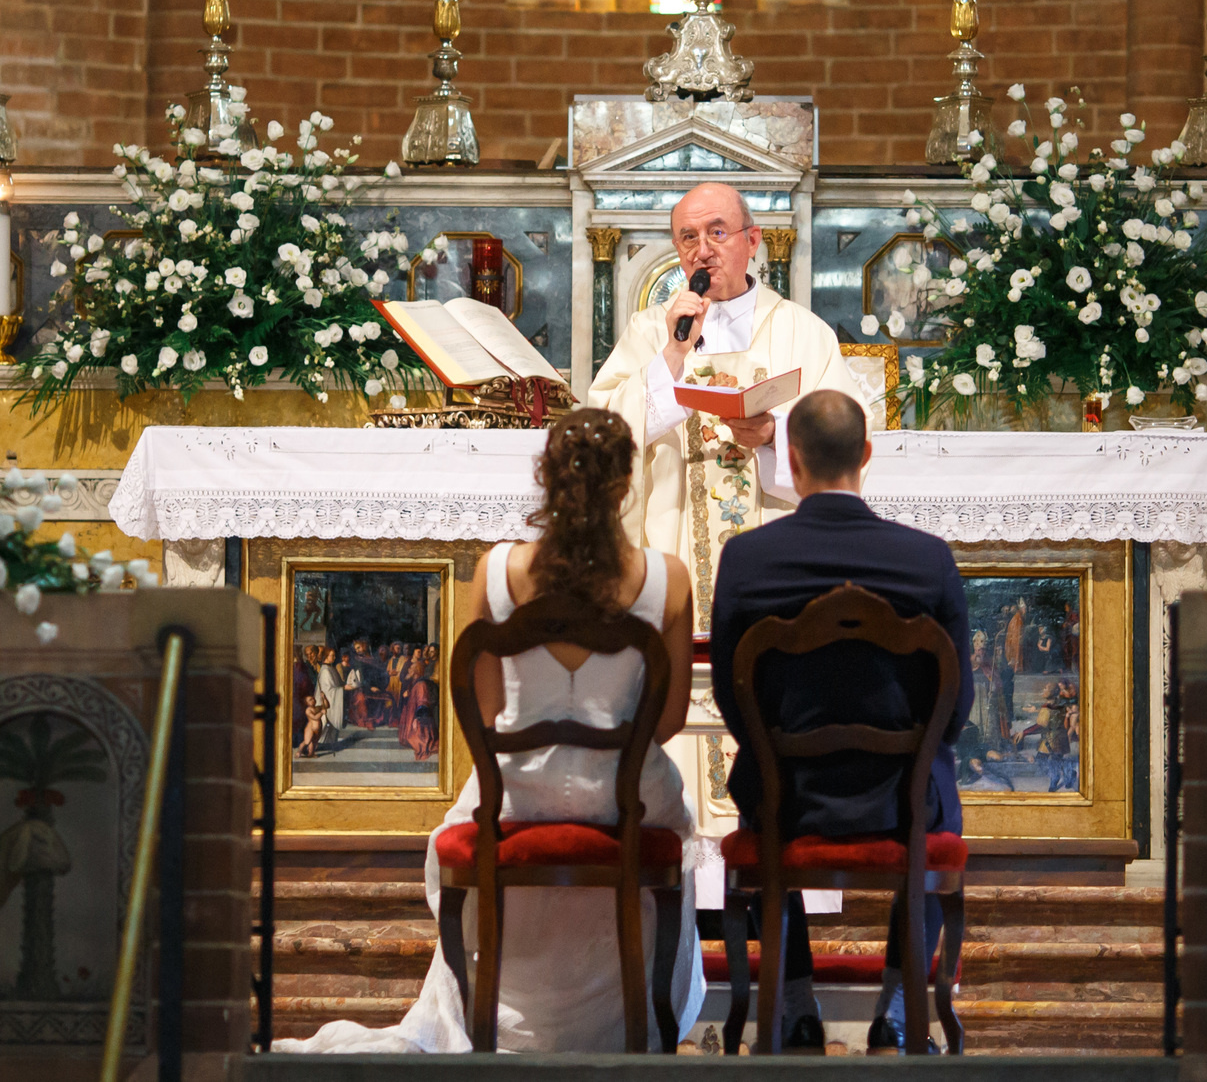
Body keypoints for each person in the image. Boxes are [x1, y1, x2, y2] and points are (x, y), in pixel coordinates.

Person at [276, 410, 706, 1053]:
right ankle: (638, 1028)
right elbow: (668, 721)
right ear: (625, 486)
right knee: (678, 824)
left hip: (517, 794)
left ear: (548, 479)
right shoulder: (669, 579)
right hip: (623, 798)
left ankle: (484, 1027)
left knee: (469, 810)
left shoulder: (498, 570)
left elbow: (484, 710)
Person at [708, 390, 971, 1055]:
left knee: (759, 793)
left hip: (785, 799)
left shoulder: (747, 558)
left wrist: (775, 755)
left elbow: (730, 695)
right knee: (939, 783)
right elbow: (957, 707)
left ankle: (795, 1008)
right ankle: (901, 1013)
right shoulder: (927, 559)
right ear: (868, 455)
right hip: (901, 804)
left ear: (791, 462)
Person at [586, 182, 874, 557]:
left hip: (778, 547)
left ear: (752, 241)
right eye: (688, 237)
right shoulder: (652, 329)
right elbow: (604, 435)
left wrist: (774, 434)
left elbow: (846, 441)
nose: (702, 250)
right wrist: (673, 352)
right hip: (672, 550)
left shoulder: (802, 331)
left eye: (717, 233)